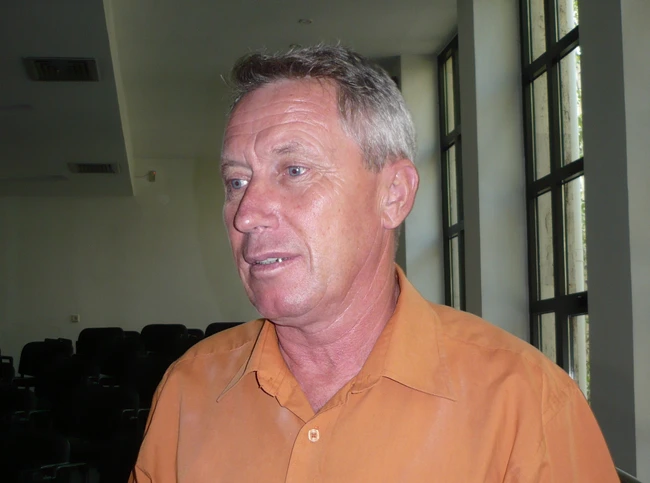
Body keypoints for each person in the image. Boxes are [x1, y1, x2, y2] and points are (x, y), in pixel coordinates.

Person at [130, 45, 618, 482]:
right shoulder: (189, 391)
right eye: (236, 182)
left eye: (294, 170)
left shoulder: (525, 405)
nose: (247, 213)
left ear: (394, 195)